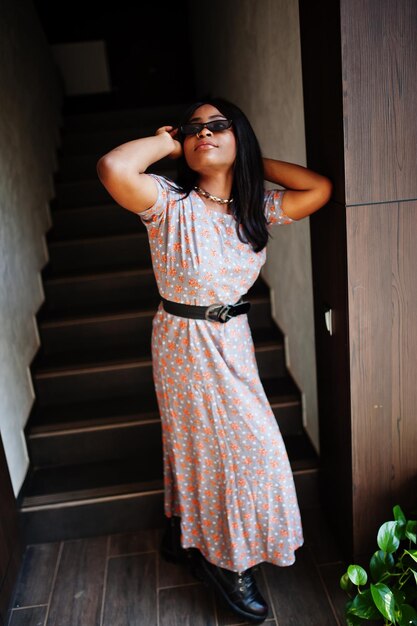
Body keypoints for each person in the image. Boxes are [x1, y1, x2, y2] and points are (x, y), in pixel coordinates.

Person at [97, 97, 332, 624]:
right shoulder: (169, 204)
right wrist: (165, 140)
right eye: (195, 130)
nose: (205, 134)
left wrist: (250, 157)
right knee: (223, 449)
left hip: (234, 339)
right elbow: (113, 167)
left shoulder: (256, 210)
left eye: (219, 127)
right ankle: (227, 562)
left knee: (227, 447)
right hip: (184, 342)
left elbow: (318, 189)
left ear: (238, 136)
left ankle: (187, 536)